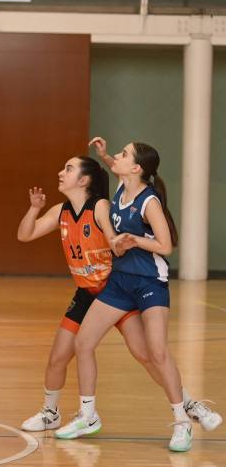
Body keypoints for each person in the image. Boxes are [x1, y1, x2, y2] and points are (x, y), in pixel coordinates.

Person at [14, 153, 216, 434]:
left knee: (145, 355)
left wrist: (122, 242)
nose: (61, 172)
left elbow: (115, 241)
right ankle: (51, 412)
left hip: (114, 288)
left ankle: (189, 404)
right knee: (58, 356)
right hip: (87, 292)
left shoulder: (100, 207)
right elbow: (25, 235)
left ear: (83, 180)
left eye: (68, 168)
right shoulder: (60, 211)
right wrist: (34, 209)